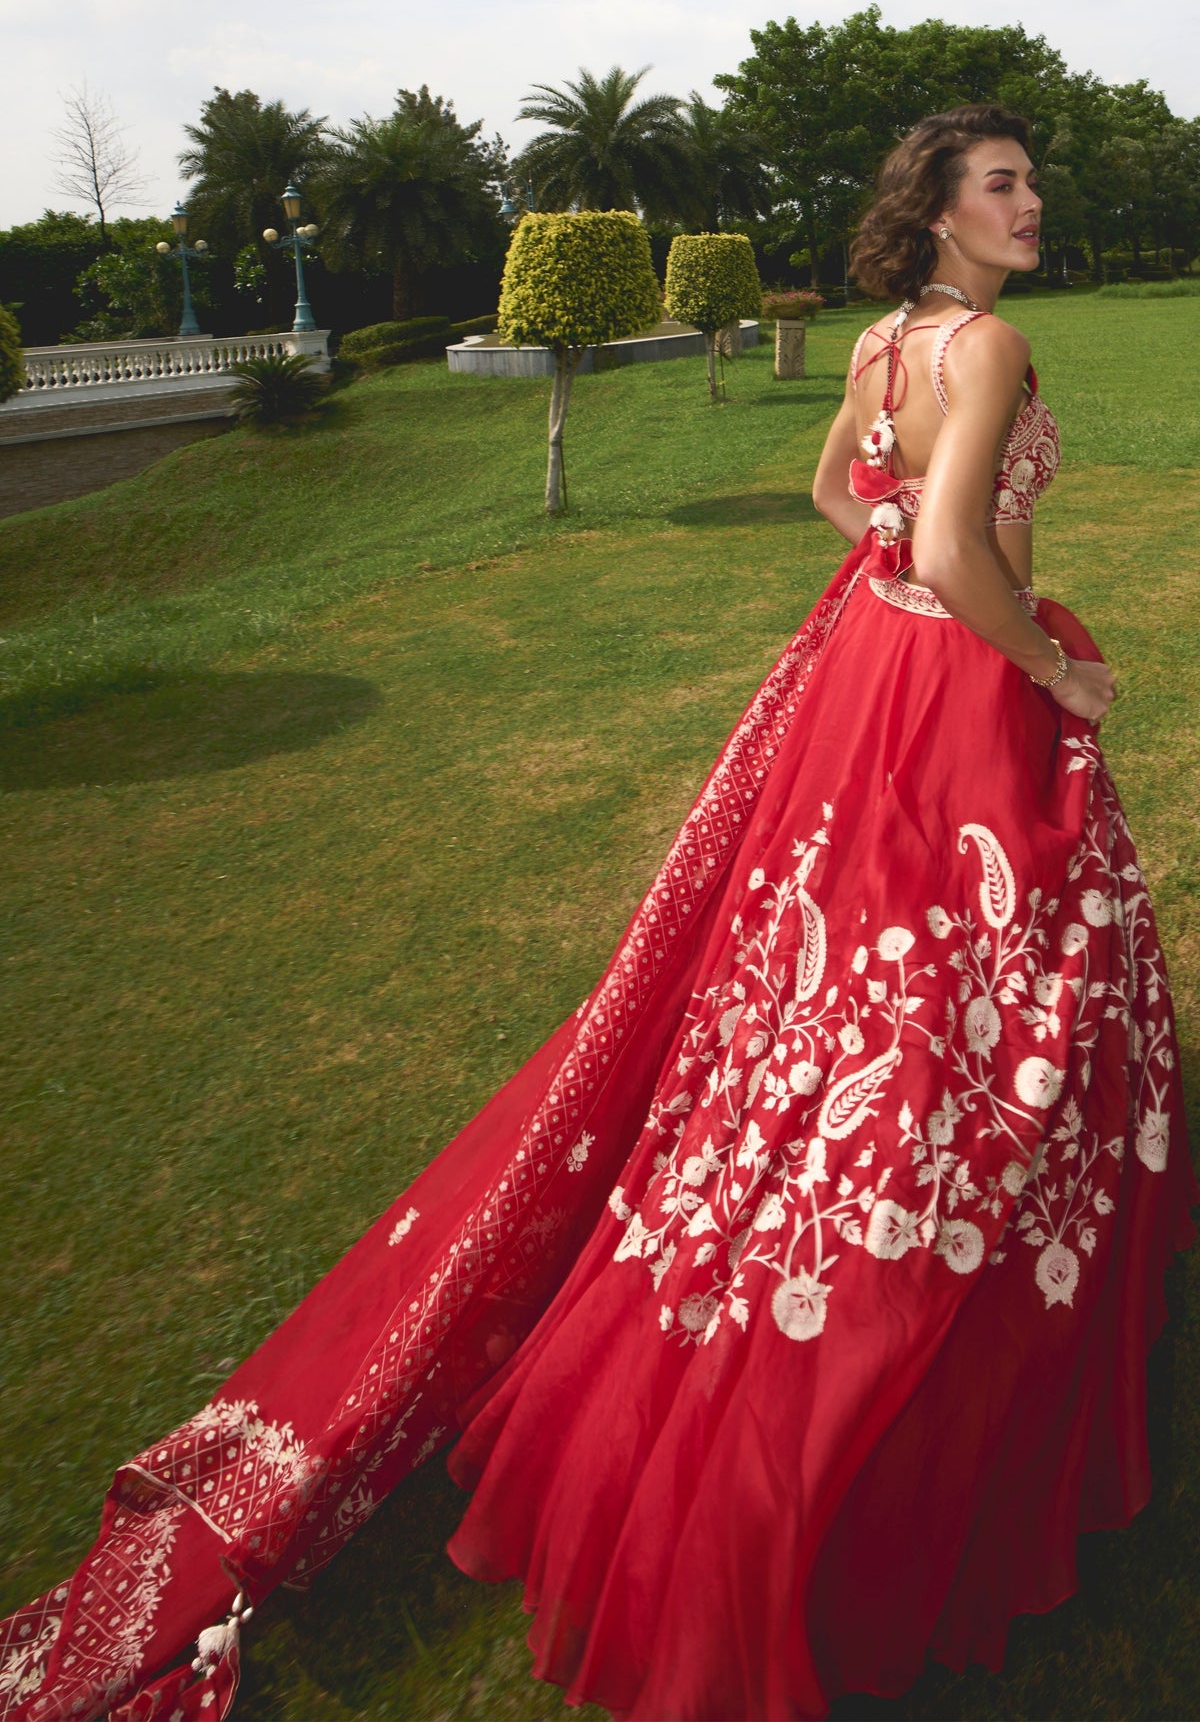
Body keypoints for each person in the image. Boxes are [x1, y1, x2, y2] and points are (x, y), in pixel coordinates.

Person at [1, 104, 1195, 1722]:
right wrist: (1056, 665)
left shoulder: (881, 347)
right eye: (1009, 185)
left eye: (1032, 184)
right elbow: (978, 548)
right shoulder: (981, 345)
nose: (1035, 204)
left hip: (870, 667)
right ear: (938, 214)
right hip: (966, 682)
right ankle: (930, 1320)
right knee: (980, 990)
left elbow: (840, 506)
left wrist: (897, 568)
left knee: (828, 980)